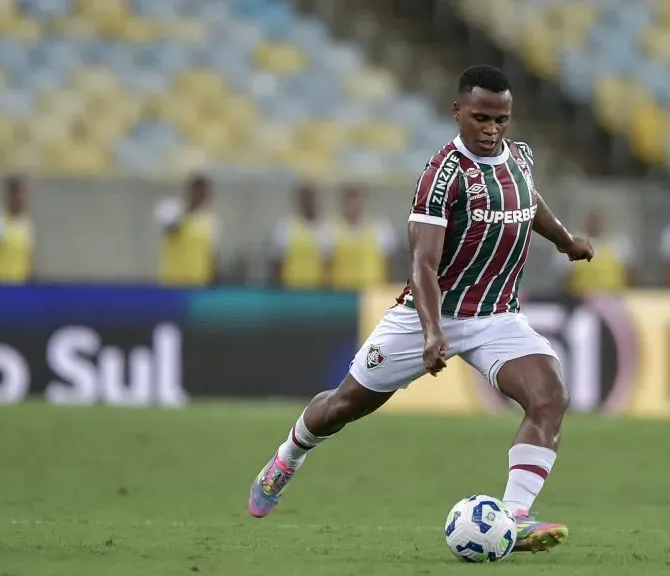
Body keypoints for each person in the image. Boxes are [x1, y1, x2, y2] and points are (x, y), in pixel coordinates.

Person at [247, 65, 594, 553]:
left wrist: (565, 240)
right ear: (457, 111)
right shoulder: (441, 176)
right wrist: (433, 332)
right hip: (426, 315)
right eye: (480, 118)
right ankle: (287, 458)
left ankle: (514, 518)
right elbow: (423, 263)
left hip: (497, 315)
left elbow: (528, 202)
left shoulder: (520, 156)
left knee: (550, 396)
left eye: (501, 120)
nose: (491, 130)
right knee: (344, 405)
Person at [325, 184, 398, 292]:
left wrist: (385, 290)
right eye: (349, 203)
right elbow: (328, 267)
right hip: (342, 293)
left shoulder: (380, 228)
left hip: (372, 293)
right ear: (343, 204)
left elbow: (387, 266)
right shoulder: (330, 230)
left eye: (356, 202)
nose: (353, 207)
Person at [154, 173, 221, 287]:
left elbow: (212, 253)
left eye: (203, 193)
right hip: (172, 281)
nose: (199, 196)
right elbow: (170, 230)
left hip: (198, 282)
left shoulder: (211, 221)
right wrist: (184, 216)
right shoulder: (174, 212)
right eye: (196, 191)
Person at [553, 208, 635, 297]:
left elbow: (630, 275)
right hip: (581, 301)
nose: (595, 223)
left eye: (598, 220)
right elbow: (563, 280)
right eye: (592, 220)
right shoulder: (572, 245)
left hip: (614, 300)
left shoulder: (619, 246)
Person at [269, 183, 326, 289]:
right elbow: (277, 262)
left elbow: (326, 265)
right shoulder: (285, 227)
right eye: (306, 199)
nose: (310, 203)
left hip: (315, 291)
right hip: (291, 290)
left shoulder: (323, 229)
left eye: (312, 199)